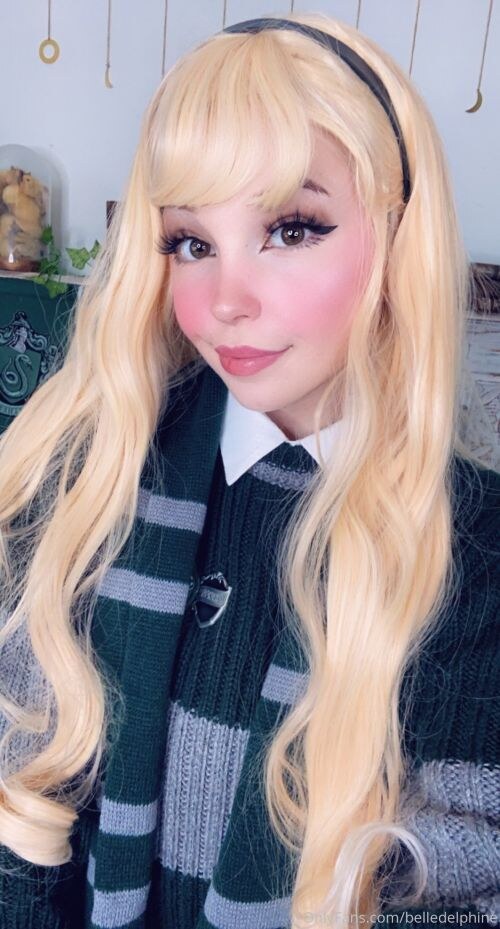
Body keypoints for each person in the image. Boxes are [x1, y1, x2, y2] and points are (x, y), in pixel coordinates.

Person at [0, 11, 498, 929]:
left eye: (292, 228)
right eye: (191, 243)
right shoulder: (87, 478)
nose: (226, 300)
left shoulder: (478, 552)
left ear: (399, 235)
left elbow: (469, 879)